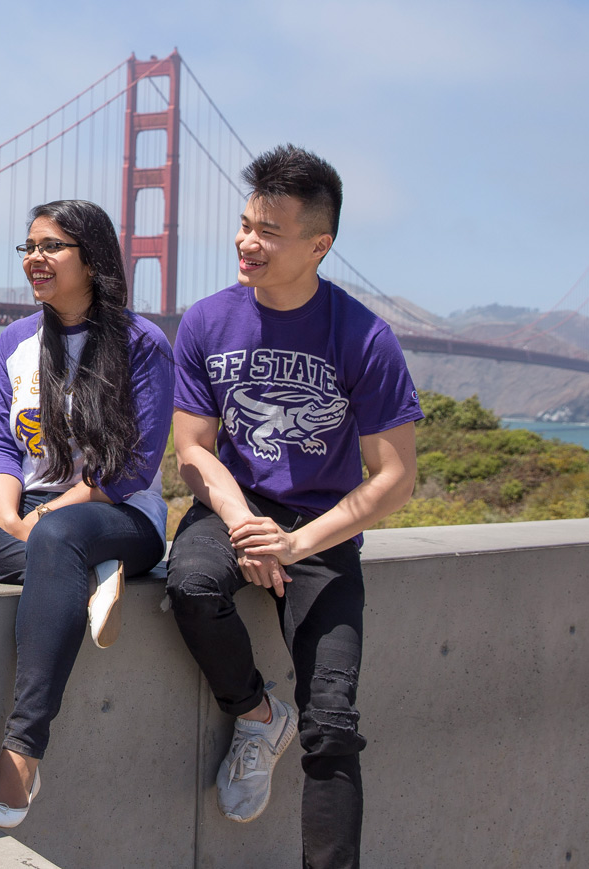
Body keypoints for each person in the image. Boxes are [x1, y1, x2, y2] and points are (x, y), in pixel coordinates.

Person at [164, 145, 420, 869]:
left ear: (319, 245)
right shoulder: (208, 321)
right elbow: (192, 448)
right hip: (231, 508)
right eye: (245, 224)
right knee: (190, 584)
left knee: (333, 723)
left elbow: (394, 478)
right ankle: (255, 713)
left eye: (269, 231)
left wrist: (295, 545)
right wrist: (244, 521)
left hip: (321, 527)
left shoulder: (364, 336)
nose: (248, 241)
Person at [0, 199, 174, 829]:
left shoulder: (141, 343)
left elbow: (135, 469)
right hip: (37, 512)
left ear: (91, 259)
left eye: (52, 246)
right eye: (29, 247)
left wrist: (44, 523)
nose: (35, 259)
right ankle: (80, 573)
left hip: (120, 513)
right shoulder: (17, 341)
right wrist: (13, 518)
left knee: (62, 533)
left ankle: (21, 759)